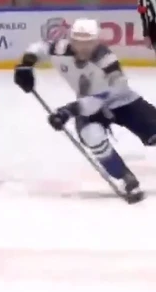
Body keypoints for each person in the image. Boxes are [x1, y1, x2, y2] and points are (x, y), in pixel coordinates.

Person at [14, 18, 156, 203]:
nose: (83, 47)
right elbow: (39, 47)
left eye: (88, 42)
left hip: (123, 102)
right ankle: (125, 178)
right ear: (71, 40)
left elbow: (114, 91)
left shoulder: (106, 60)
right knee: (92, 135)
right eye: (78, 41)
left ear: (96, 41)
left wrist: (69, 110)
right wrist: (26, 64)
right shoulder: (60, 49)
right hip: (88, 106)